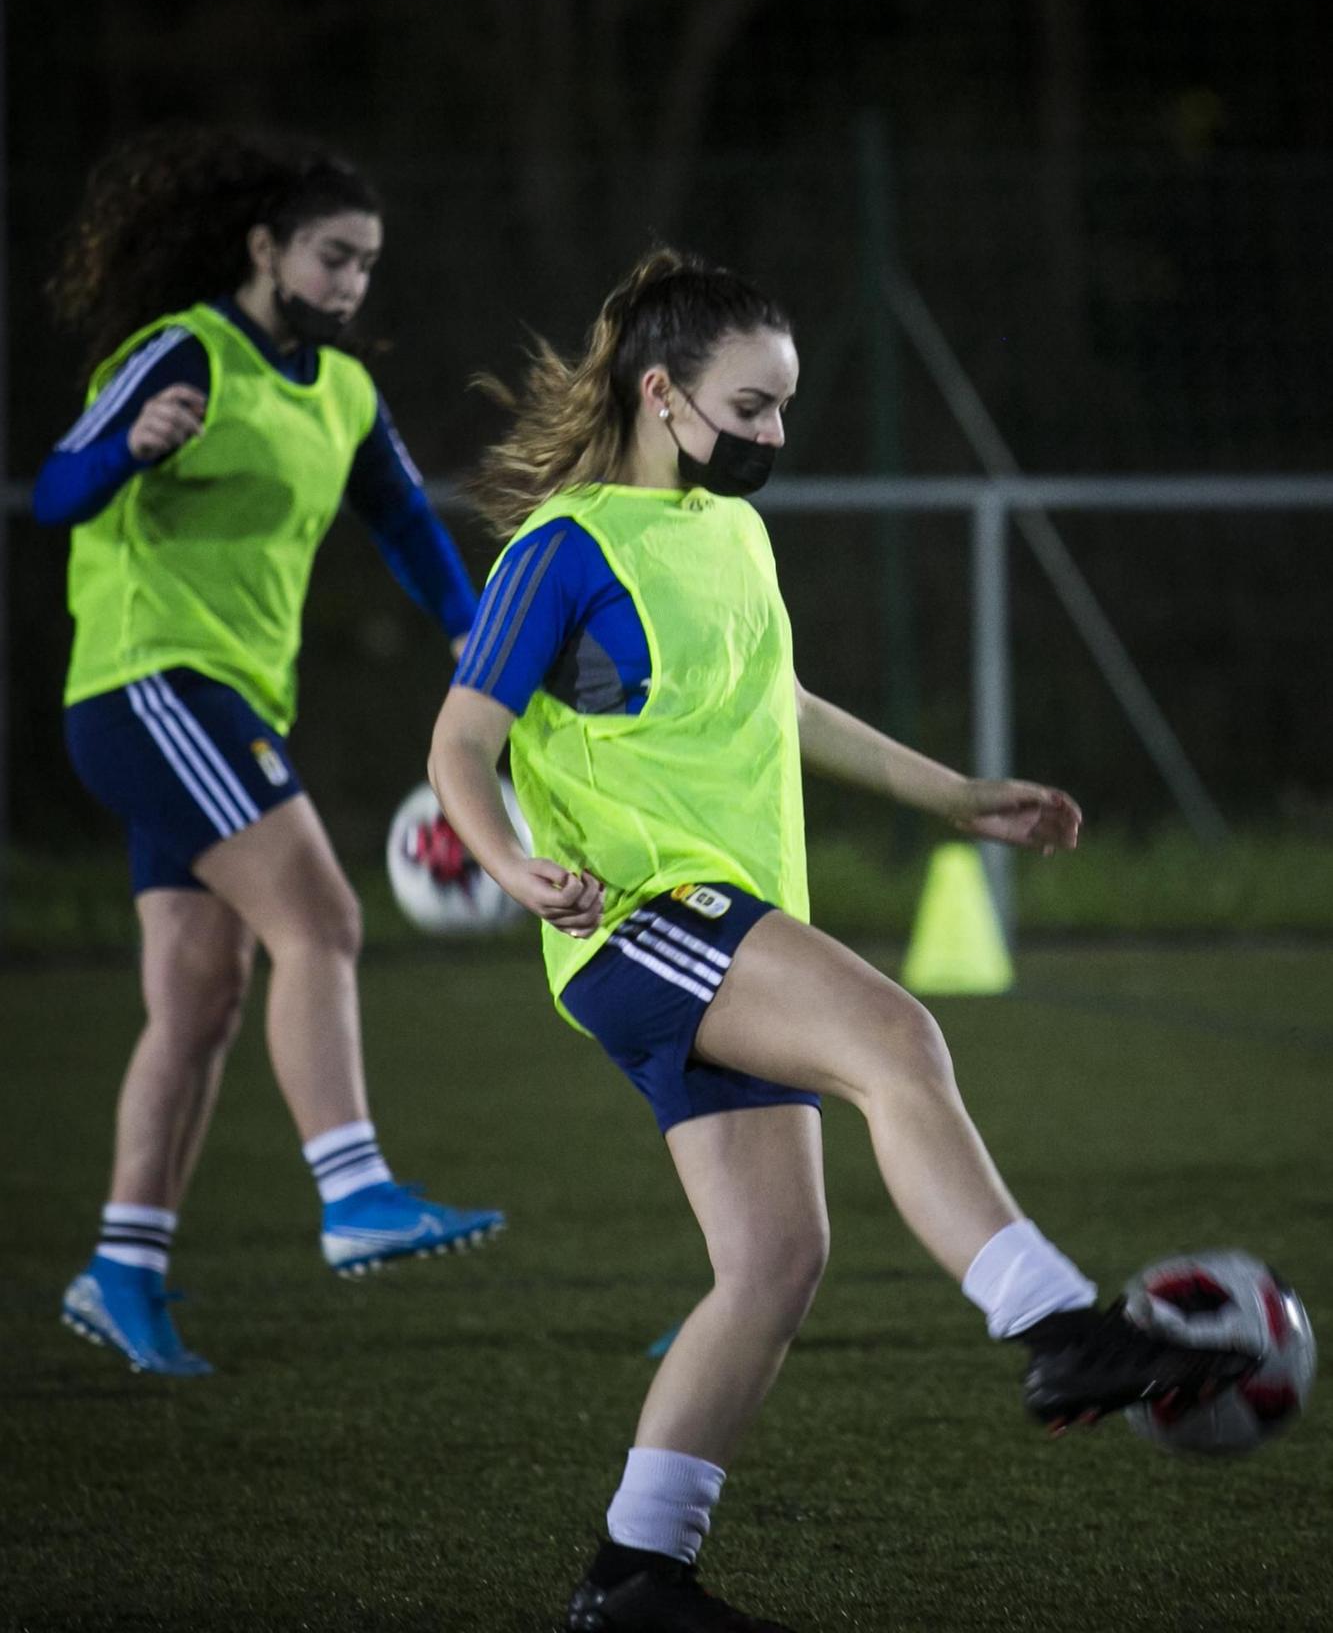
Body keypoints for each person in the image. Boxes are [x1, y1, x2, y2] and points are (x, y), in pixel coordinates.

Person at [427, 248, 1253, 1633]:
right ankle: (1059, 1331)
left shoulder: (729, 537)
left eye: (785, 407)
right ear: (663, 396)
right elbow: (460, 742)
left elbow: (783, 707)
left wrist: (956, 796)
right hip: (642, 921)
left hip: (720, 927)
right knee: (896, 1036)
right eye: (752, 405)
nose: (774, 435)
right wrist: (512, 865)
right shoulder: (563, 549)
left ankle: (636, 1579)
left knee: (772, 1266)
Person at [33, 125, 504, 1379]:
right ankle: (354, 1189)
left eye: (366, 265)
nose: (352, 284)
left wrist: (470, 628)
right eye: (332, 257)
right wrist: (126, 449)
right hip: (150, 683)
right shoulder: (181, 351)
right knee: (326, 922)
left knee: (199, 1000)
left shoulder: (342, 391)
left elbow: (403, 516)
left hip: (216, 702)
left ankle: (122, 1268)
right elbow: (56, 489)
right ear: (264, 249)